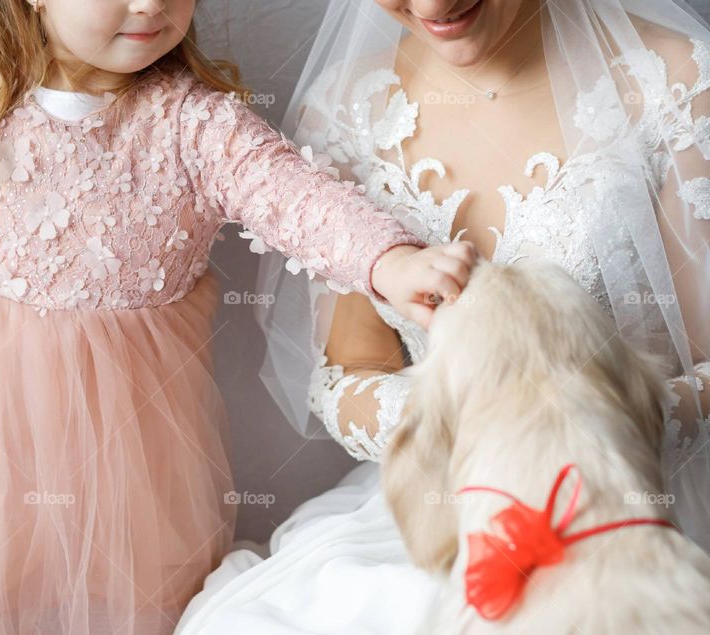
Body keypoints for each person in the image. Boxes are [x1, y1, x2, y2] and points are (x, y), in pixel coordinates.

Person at [0, 1, 479, 633]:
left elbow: (294, 199)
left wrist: (388, 261)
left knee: (119, 596)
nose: (149, 5)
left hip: (131, 451)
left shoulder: (195, 126)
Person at [177, 0, 710, 632]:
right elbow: (346, 374)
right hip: (444, 504)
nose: (432, 6)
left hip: (643, 497)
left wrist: (578, 435)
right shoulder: (352, 107)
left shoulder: (671, 79)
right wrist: (470, 432)